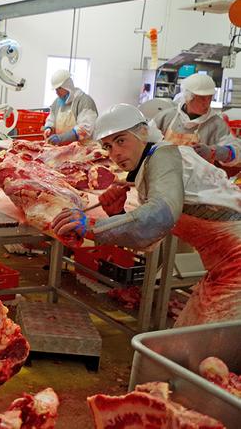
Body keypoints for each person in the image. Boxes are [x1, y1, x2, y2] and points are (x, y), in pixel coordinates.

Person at [51, 104, 241, 327]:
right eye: (108, 146)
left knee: (201, 344)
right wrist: (118, 214)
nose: (115, 153)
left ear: (143, 132)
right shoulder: (151, 164)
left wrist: (93, 226)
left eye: (121, 140)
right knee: (186, 339)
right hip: (222, 267)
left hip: (235, 266)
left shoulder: (165, 156)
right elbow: (150, 238)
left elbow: (159, 216)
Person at [151, 73, 240, 166]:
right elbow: (145, 139)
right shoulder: (166, 116)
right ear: (188, 98)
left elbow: (237, 150)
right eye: (202, 99)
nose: (207, 103)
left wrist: (214, 152)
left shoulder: (216, 124)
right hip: (163, 172)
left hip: (199, 175)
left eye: (210, 98)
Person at [43, 69, 98, 145]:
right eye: (56, 89)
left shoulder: (84, 101)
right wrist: (48, 128)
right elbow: (51, 118)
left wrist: (61, 138)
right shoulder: (57, 102)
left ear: (67, 86)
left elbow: (86, 128)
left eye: (59, 88)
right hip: (63, 148)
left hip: (83, 147)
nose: (57, 92)